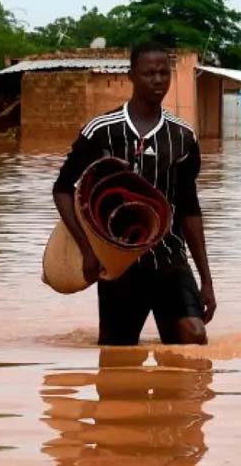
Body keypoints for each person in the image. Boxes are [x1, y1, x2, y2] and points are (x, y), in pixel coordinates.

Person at [52, 41, 215, 346]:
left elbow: (190, 207)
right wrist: (87, 250)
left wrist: (206, 279)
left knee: (194, 336)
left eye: (164, 73)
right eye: (149, 73)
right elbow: (62, 189)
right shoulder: (101, 131)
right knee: (116, 355)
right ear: (131, 76)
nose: (157, 81)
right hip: (117, 264)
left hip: (170, 259)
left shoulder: (183, 136)